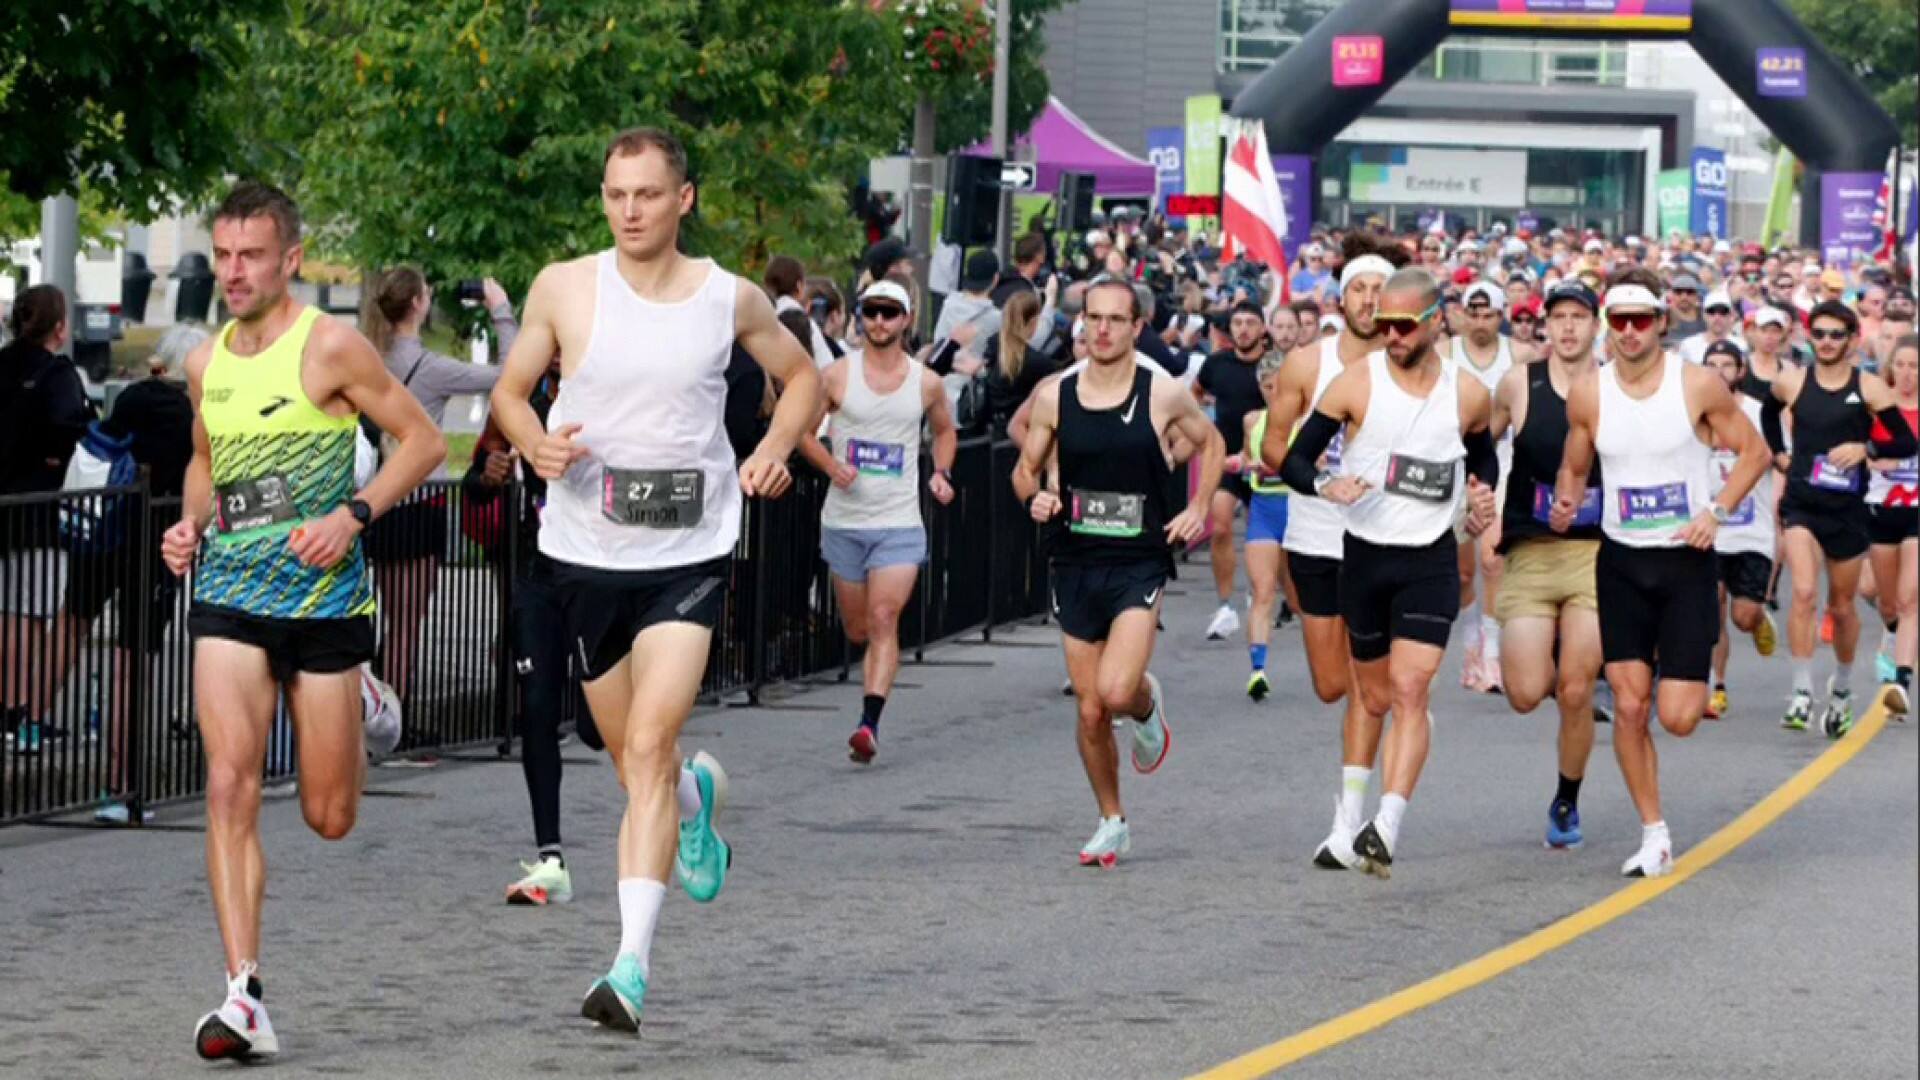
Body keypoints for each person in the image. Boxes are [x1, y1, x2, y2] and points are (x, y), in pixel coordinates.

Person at [487, 127, 819, 1034]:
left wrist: (776, 448)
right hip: (585, 551)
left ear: (684, 199)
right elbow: (510, 393)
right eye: (614, 194)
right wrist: (534, 442)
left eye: (646, 194)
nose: (628, 211)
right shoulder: (563, 285)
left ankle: (629, 966)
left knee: (645, 745)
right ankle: (695, 799)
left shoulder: (727, 297)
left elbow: (801, 379)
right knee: (630, 755)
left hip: (689, 552)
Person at [167, 181, 445, 1060]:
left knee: (330, 815)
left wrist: (353, 517)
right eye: (223, 255)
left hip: (324, 601)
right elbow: (205, 461)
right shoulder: (205, 362)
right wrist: (190, 524)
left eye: (251, 255)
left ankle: (362, 701)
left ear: (289, 259)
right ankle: (243, 994)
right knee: (228, 784)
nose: (233, 272)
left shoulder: (330, 347)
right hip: (231, 594)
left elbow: (424, 442)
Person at [1279, 267, 1500, 876]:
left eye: (1404, 325)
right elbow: (1295, 459)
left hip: (1430, 557)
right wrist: (1325, 483)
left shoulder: (1467, 394)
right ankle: (1347, 821)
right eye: (1384, 325)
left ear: (1435, 322)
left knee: (1411, 688)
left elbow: (1483, 460)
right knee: (1371, 695)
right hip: (1365, 555)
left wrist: (1481, 494)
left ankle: (1387, 824)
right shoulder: (1356, 382)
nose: (1392, 336)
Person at [1549, 270, 1769, 878]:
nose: (1628, 332)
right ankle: (1654, 834)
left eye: (1639, 321)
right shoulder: (1589, 392)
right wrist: (1567, 500)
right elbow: (1575, 464)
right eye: (1617, 321)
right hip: (1621, 561)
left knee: (1678, 716)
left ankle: (1686, 677)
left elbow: (1754, 453)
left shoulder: (1695, 384)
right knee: (1628, 705)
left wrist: (1715, 512)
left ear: (1661, 324)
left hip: (1685, 563)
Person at [1011, 278, 1221, 868]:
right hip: (1074, 559)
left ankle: (1146, 705)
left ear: (1136, 327)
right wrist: (1035, 496)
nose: (1102, 330)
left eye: (1115, 320)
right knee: (1090, 709)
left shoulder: (1161, 391)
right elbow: (1024, 470)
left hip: (1138, 560)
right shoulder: (1056, 395)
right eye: (1093, 319)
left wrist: (1199, 506)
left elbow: (1211, 441)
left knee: (1116, 690)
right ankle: (1111, 820)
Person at [1258, 238, 1402, 869]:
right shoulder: (1305, 363)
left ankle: (1350, 816)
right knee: (1330, 684)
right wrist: (1317, 477)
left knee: (1368, 689)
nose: (1368, 300)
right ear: (1341, 300)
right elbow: (1273, 447)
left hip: (1386, 535)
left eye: (1379, 290)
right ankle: (1375, 719)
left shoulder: (1410, 365)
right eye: (1358, 290)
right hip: (1316, 534)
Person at [800, 280, 957, 763]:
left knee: (884, 617)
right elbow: (801, 432)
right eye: (871, 312)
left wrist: (942, 472)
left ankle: (868, 724)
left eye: (890, 313)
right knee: (857, 628)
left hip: (899, 522)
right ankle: (870, 692)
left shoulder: (926, 382)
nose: (880, 322)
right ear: (860, 317)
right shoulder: (836, 376)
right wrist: (831, 466)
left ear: (906, 319)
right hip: (845, 521)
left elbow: (945, 431)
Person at [55, 323, 204, 819]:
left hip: (103, 533)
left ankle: (25, 719)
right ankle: (123, 785)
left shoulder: (134, 398)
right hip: (157, 544)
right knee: (133, 659)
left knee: (69, 626)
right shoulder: (194, 415)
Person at [359, 268, 519, 710]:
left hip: (374, 503)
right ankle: (394, 720)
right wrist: (501, 311)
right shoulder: (429, 368)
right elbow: (510, 375)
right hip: (418, 502)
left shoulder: (367, 362)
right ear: (417, 304)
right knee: (406, 625)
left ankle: (377, 710)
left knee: (386, 617)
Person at [1759, 302, 1917, 736]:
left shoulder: (1868, 386)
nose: (1826, 342)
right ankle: (1801, 692)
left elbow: (1906, 442)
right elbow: (1768, 413)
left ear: (1851, 340)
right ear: (1808, 336)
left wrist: (1867, 449)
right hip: (1802, 505)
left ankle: (1842, 690)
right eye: (1819, 334)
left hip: (1847, 511)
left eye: (1835, 335)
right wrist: (1779, 453)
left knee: (1842, 608)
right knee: (1804, 592)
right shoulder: (1793, 381)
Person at [1488, 281, 1608, 849]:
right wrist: (1477, 491)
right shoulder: (1519, 383)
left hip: (1594, 552)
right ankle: (1556, 650)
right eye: (1558, 317)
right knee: (1525, 692)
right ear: (1545, 326)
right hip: (1531, 550)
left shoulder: (1614, 385)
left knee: (1577, 691)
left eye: (1578, 317)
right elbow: (1478, 442)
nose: (1568, 327)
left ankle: (1566, 800)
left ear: (1595, 326)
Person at [1, 285, 92, 753]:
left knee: (5, 611)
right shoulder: (58, 375)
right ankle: (15, 712)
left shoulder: (2, 364)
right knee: (29, 613)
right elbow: (72, 431)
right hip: (39, 509)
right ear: (59, 327)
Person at [1702, 340, 1781, 720]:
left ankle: (1759, 617)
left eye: (1726, 365)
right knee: (1712, 608)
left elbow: (1779, 459)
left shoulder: (1759, 412)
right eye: (1711, 364)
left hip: (1752, 530)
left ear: (1741, 371)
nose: (1719, 371)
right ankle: (1715, 686)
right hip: (1708, 529)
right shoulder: (1693, 412)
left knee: (1742, 616)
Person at [1195, 300, 1271, 641]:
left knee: (1263, 536)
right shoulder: (1216, 364)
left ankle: (1261, 594)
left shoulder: (1273, 365)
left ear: (1262, 328)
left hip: (1264, 462)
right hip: (1225, 459)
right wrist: (1202, 431)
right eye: (1237, 323)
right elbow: (1195, 394)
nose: (1243, 329)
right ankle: (1225, 605)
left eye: (1250, 323)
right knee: (1221, 525)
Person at [1452, 281, 1515, 693]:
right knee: (1462, 572)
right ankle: (1471, 643)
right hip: (1454, 468)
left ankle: (1492, 655)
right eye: (1473, 314)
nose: (1480, 322)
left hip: (1501, 467)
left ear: (1500, 315)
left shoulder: (1518, 355)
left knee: (1493, 560)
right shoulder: (1444, 353)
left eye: (1488, 314)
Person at [1864, 334, 1917, 713]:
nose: (1907, 373)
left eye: (1915, 366)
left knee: (1908, 598)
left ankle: (1901, 681)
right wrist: (1874, 459)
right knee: (1886, 603)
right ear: (1890, 368)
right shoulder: (1877, 409)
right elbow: (1856, 451)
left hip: (1916, 509)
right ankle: (1897, 634)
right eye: (1900, 365)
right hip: (1880, 509)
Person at [1240, 351, 1293, 700]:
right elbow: (1246, 457)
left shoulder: (1304, 420)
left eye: (1278, 387)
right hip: (1264, 509)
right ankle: (1257, 671)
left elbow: (1319, 461)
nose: (1272, 394)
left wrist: (1280, 466)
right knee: (1262, 591)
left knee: (1301, 599)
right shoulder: (1252, 421)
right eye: (1266, 387)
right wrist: (1246, 465)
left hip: (1298, 510)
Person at [1678, 289, 1746, 365]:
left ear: (1731, 315)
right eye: (1711, 311)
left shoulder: (1741, 346)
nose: (1717, 317)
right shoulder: (1688, 346)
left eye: (1723, 311)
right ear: (1704, 315)